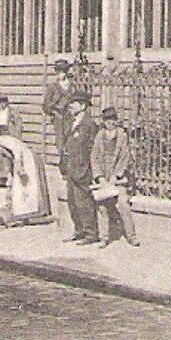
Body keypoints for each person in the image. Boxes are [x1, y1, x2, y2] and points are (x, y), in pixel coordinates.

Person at [90, 106, 139, 247]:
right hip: (104, 178)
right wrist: (100, 177)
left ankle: (131, 236)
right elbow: (94, 157)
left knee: (123, 205)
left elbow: (125, 158)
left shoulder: (121, 136)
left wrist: (116, 176)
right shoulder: (100, 136)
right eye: (107, 120)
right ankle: (104, 237)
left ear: (116, 121)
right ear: (103, 121)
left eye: (112, 120)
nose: (109, 123)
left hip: (117, 179)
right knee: (102, 207)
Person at [57, 93, 99, 244]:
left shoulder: (89, 125)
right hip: (70, 168)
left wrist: (87, 169)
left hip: (82, 169)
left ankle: (91, 233)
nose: (70, 106)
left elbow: (92, 149)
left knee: (84, 202)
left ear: (82, 106)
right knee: (72, 202)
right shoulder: (72, 122)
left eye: (73, 103)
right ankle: (79, 230)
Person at [0, 126, 53, 228]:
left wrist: (19, 167)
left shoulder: (3, 140)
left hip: (27, 159)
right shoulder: (6, 140)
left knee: (25, 186)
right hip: (24, 158)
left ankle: (27, 212)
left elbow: (16, 152)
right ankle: (26, 211)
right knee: (23, 187)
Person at [41, 59, 73, 164]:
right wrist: (54, 112)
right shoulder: (53, 87)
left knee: (71, 139)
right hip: (59, 116)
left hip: (71, 115)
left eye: (63, 71)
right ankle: (63, 163)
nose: (61, 73)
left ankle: (70, 163)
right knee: (60, 140)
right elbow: (45, 104)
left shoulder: (72, 85)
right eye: (59, 71)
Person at [0, 95, 19, 188]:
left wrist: (17, 136)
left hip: (9, 133)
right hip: (0, 134)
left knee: (10, 156)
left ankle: (14, 176)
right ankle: (2, 178)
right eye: (0, 103)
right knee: (0, 156)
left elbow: (18, 124)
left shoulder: (12, 112)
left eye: (4, 102)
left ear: (7, 103)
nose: (2, 105)